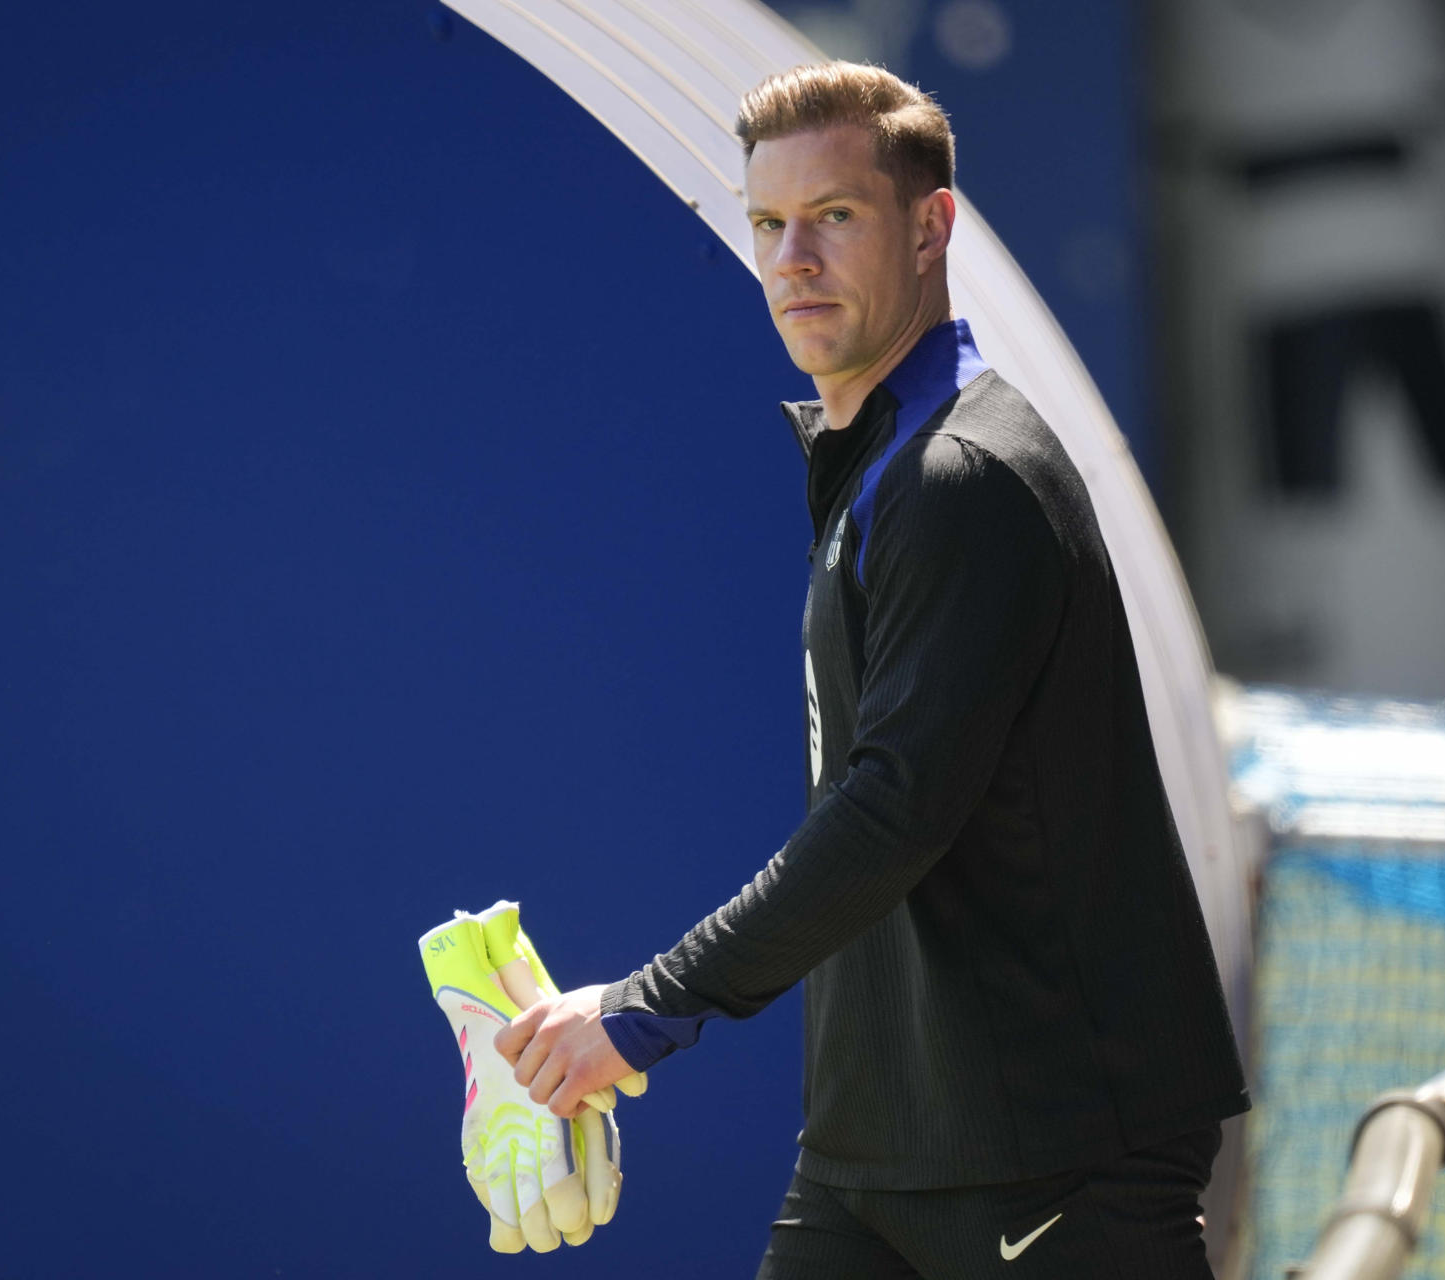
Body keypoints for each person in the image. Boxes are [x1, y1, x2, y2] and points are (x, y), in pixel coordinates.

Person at [494, 60, 1248, 1278]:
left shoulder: (962, 476)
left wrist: (643, 1008)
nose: (791, 259)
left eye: (833, 216)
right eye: (767, 224)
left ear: (930, 226)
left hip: (1052, 1157)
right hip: (872, 1156)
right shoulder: (886, 461)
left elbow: (894, 809)